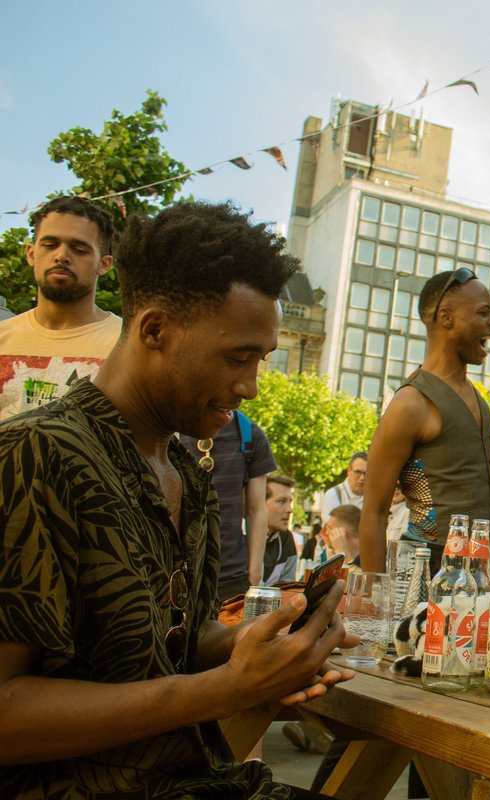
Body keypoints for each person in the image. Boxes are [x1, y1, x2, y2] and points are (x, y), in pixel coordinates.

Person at [0, 200, 355, 798]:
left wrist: (259, 642)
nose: (250, 386)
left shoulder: (186, 473)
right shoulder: (31, 457)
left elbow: (165, 648)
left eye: (260, 360)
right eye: (237, 356)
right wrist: (228, 689)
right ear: (155, 330)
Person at [359, 268, 490, 576]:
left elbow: (489, 505)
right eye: (483, 312)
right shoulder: (411, 404)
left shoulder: (481, 402)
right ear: (447, 318)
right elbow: (373, 513)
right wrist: (375, 598)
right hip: (429, 577)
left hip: (485, 574)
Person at [0, 196, 121, 421]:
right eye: (50, 245)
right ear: (31, 254)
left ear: (104, 265)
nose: (61, 256)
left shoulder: (127, 346)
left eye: (79, 249)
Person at [180, 410, 277, 600]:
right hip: (179, 574)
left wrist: (254, 574)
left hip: (232, 578)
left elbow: (256, 510)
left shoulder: (249, 435)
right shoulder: (174, 428)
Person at [264, 474, 301, 585]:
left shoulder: (286, 537)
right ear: (259, 503)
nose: (290, 509)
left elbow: (287, 586)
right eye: (281, 501)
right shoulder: (240, 536)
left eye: (290, 502)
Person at [321, 452, 367, 524]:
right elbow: (333, 527)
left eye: (366, 473)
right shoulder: (333, 494)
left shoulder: (372, 497)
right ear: (349, 471)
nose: (362, 478)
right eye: (358, 472)